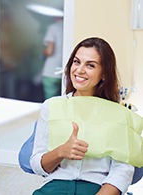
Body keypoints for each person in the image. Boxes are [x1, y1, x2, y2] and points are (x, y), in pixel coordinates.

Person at [30, 37, 136, 195]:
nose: (79, 70)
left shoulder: (119, 114)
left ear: (104, 73)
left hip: (97, 188)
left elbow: (122, 171)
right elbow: (37, 165)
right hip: (55, 186)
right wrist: (61, 151)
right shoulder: (51, 106)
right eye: (76, 62)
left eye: (90, 65)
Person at [41, 16, 63, 99]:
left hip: (51, 71)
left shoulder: (53, 27)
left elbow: (49, 51)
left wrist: (42, 54)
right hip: (64, 70)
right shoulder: (69, 27)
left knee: (50, 102)